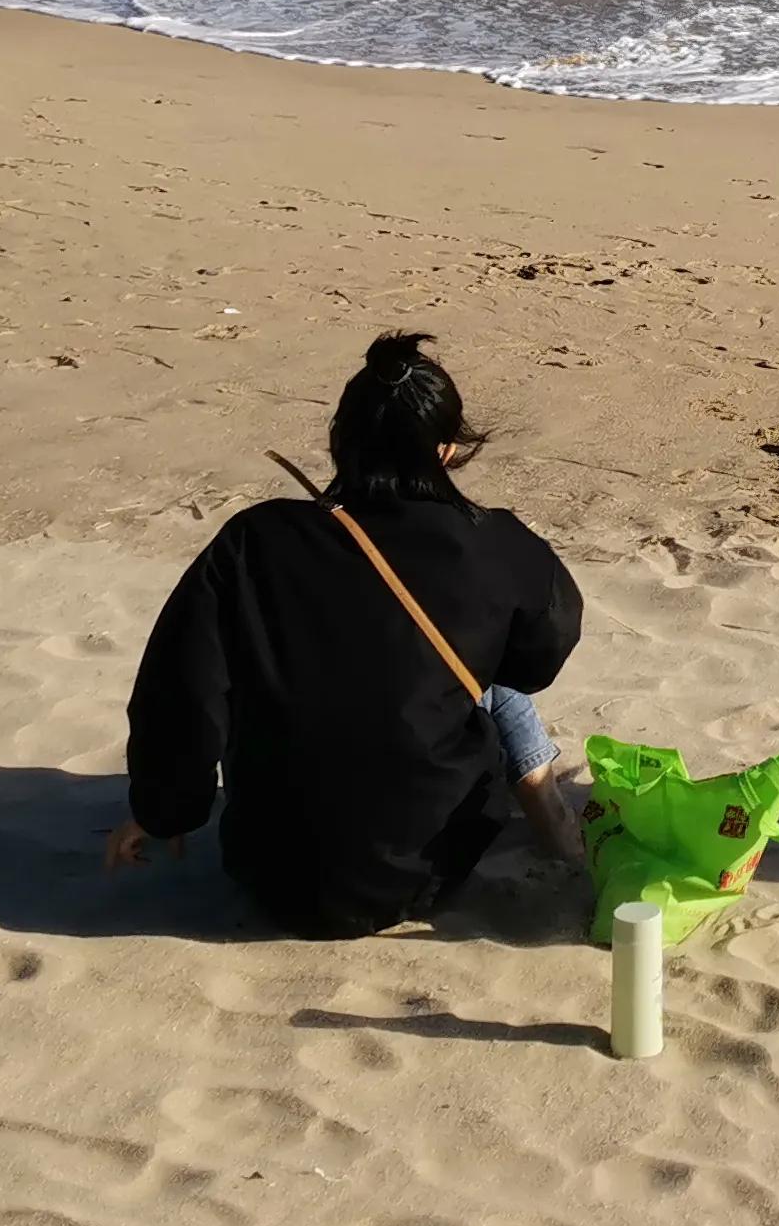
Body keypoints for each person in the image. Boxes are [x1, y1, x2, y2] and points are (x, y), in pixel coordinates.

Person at [113, 332, 586, 936]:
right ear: (445, 451)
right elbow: (536, 661)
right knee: (494, 681)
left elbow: (181, 688)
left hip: (272, 874)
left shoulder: (254, 540)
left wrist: (162, 811)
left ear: (341, 441)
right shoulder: (496, 543)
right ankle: (560, 835)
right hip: (431, 870)